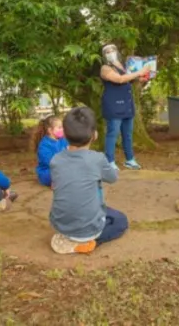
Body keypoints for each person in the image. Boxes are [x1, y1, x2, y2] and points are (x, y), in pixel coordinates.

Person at [49, 106, 129, 254]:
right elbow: (113, 178)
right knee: (120, 220)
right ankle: (88, 243)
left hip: (60, 225)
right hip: (88, 228)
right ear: (94, 135)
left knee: (98, 208)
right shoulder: (97, 159)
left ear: (65, 134)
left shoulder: (55, 160)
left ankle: (67, 238)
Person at [99, 43, 150, 170]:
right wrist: (139, 72)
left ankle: (130, 159)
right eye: (107, 52)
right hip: (113, 105)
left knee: (127, 134)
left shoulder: (123, 66)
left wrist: (142, 77)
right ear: (104, 55)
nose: (110, 53)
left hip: (127, 104)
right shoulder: (105, 68)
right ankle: (109, 161)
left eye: (112, 50)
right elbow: (120, 79)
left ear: (117, 51)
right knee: (113, 133)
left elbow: (130, 79)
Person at [31, 115, 67, 187]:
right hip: (47, 172)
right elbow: (50, 162)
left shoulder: (63, 140)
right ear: (50, 130)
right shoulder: (44, 145)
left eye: (62, 127)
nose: (62, 129)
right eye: (59, 127)